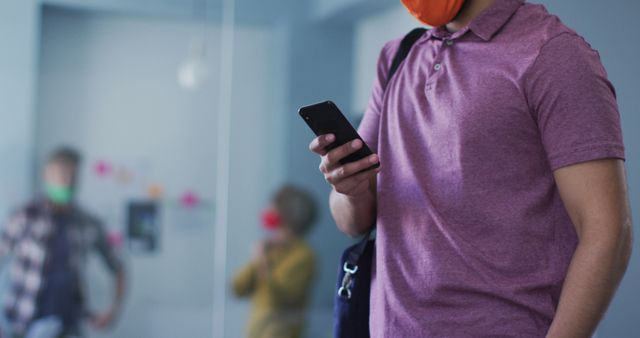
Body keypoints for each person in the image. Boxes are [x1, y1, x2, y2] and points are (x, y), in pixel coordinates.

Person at [308, 0, 632, 336]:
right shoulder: (397, 57)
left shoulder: (553, 54)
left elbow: (608, 231)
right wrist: (350, 189)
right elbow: (352, 222)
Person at [0, 147, 126, 338]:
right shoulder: (24, 217)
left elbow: (119, 267)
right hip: (22, 324)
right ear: (46, 175)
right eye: (62, 174)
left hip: (69, 326)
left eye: (73, 175)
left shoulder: (88, 223)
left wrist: (113, 311)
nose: (67, 181)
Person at [232, 185, 317, 338]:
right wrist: (261, 257)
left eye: (273, 206)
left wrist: (263, 261)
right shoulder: (269, 249)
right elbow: (238, 288)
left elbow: (282, 296)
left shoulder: (304, 255)